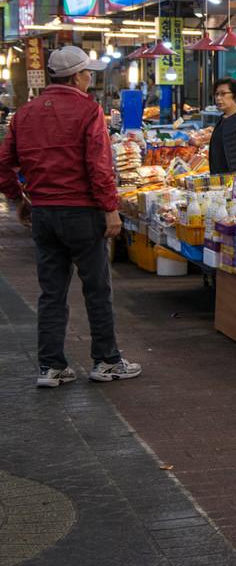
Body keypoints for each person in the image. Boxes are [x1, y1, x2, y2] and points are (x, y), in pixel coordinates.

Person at [0, 46, 141, 386]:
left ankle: (50, 367)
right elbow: (98, 166)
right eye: (87, 73)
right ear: (78, 76)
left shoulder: (24, 113)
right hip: (82, 212)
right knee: (96, 289)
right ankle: (106, 361)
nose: (89, 79)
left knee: (51, 293)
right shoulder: (87, 110)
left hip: (43, 213)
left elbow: (4, 163)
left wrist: (18, 197)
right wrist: (110, 209)